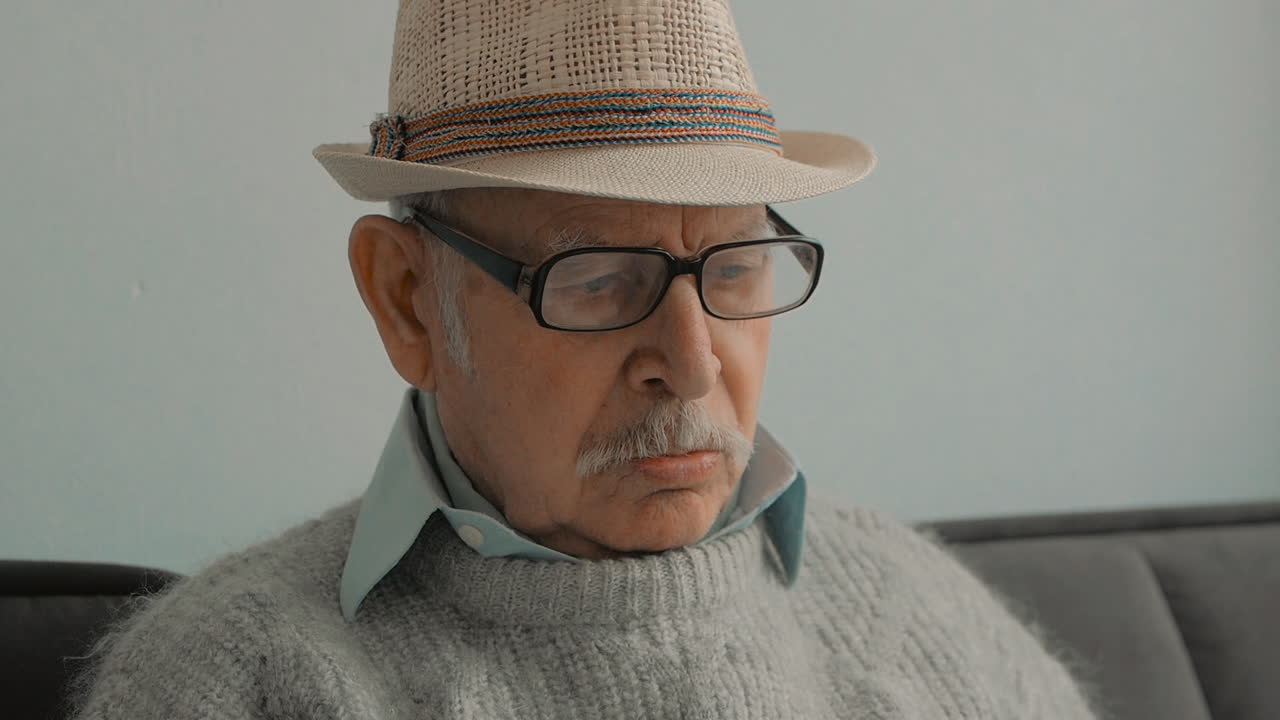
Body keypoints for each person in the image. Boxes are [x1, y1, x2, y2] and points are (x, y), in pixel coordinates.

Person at [72, 1, 1102, 718]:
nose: (691, 365)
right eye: (600, 279)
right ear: (405, 300)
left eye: (736, 268)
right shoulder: (243, 680)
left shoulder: (915, 611)